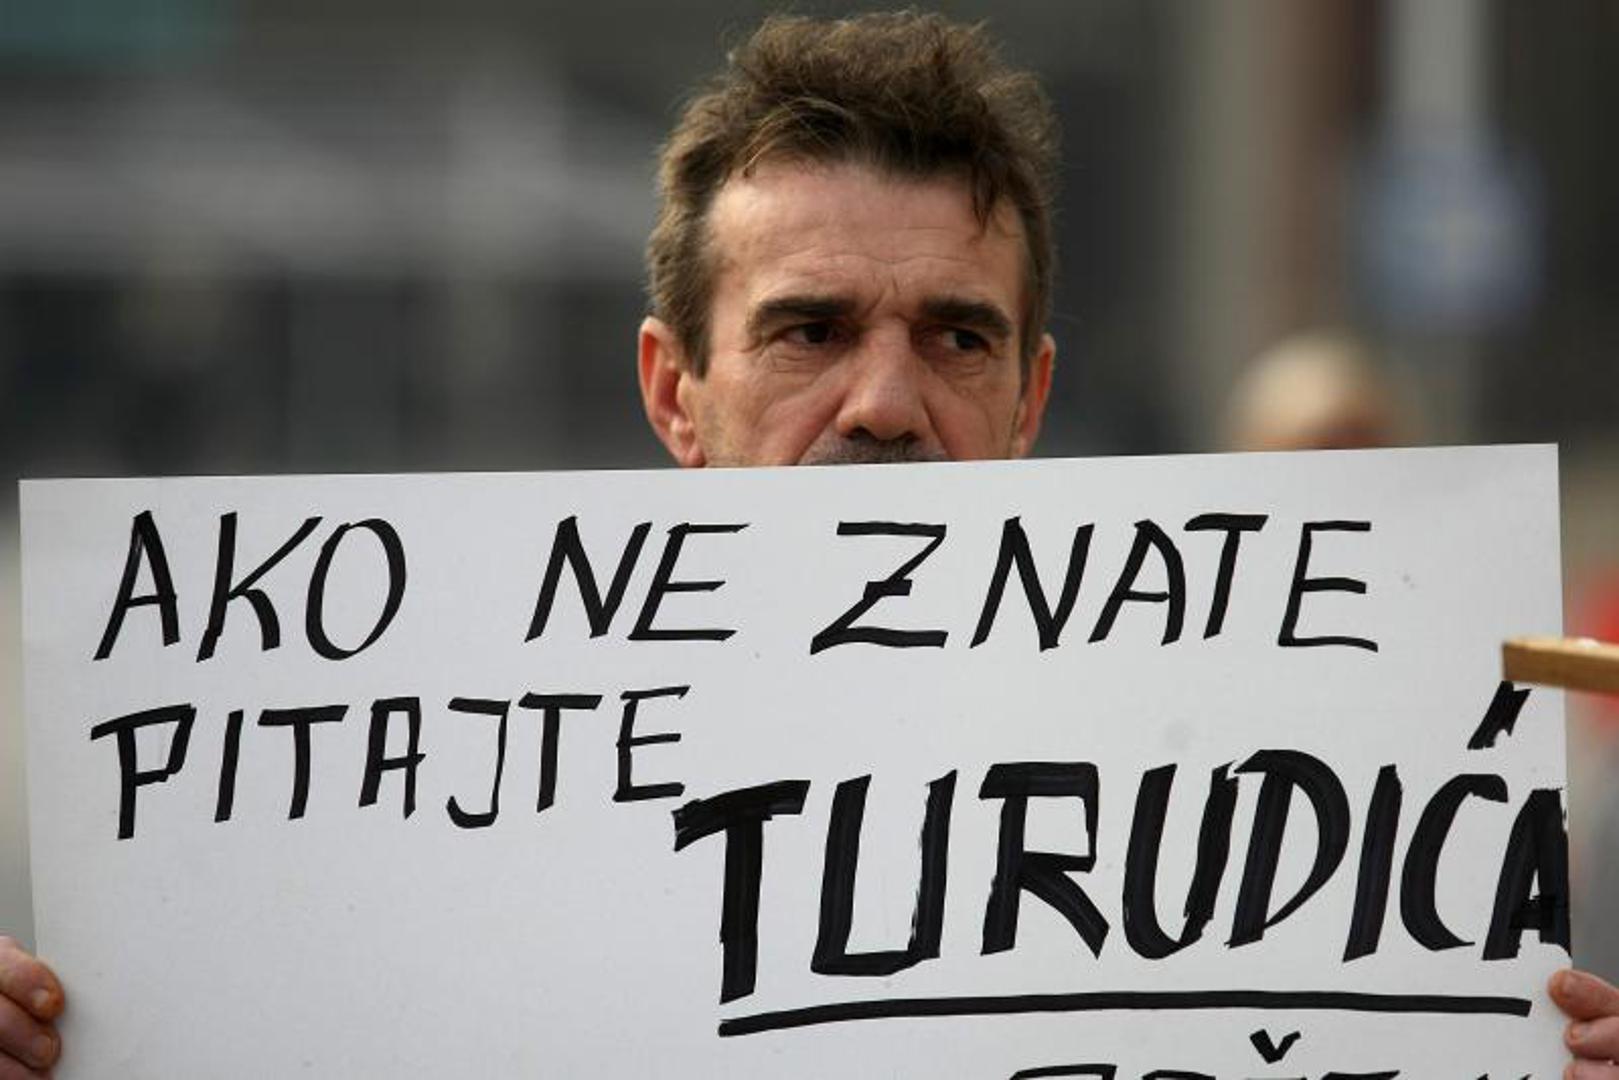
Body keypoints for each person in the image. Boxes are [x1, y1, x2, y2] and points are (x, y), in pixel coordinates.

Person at [2, 11, 1615, 1076]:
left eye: (959, 337)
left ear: (1032, 395)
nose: (887, 404)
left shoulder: (1255, 786)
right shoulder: (417, 813)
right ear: (674, 390)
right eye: (808, 329)